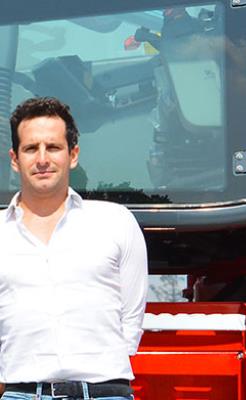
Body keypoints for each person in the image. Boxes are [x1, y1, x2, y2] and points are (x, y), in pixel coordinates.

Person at [0, 97, 148, 400]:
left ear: (73, 155)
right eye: (31, 148)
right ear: (14, 159)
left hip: (105, 393)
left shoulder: (116, 222)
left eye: (53, 147)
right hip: (21, 393)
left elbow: (131, 318)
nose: (42, 159)